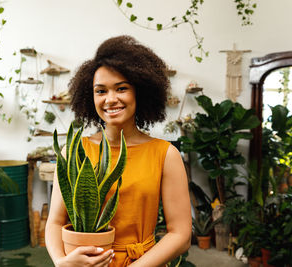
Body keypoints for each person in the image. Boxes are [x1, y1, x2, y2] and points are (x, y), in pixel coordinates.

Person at [45, 35, 191, 267]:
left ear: (139, 92)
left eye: (121, 88)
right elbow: (54, 222)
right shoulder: (74, 151)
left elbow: (181, 235)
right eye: (100, 91)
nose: (110, 99)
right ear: (89, 96)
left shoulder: (164, 154)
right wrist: (62, 262)